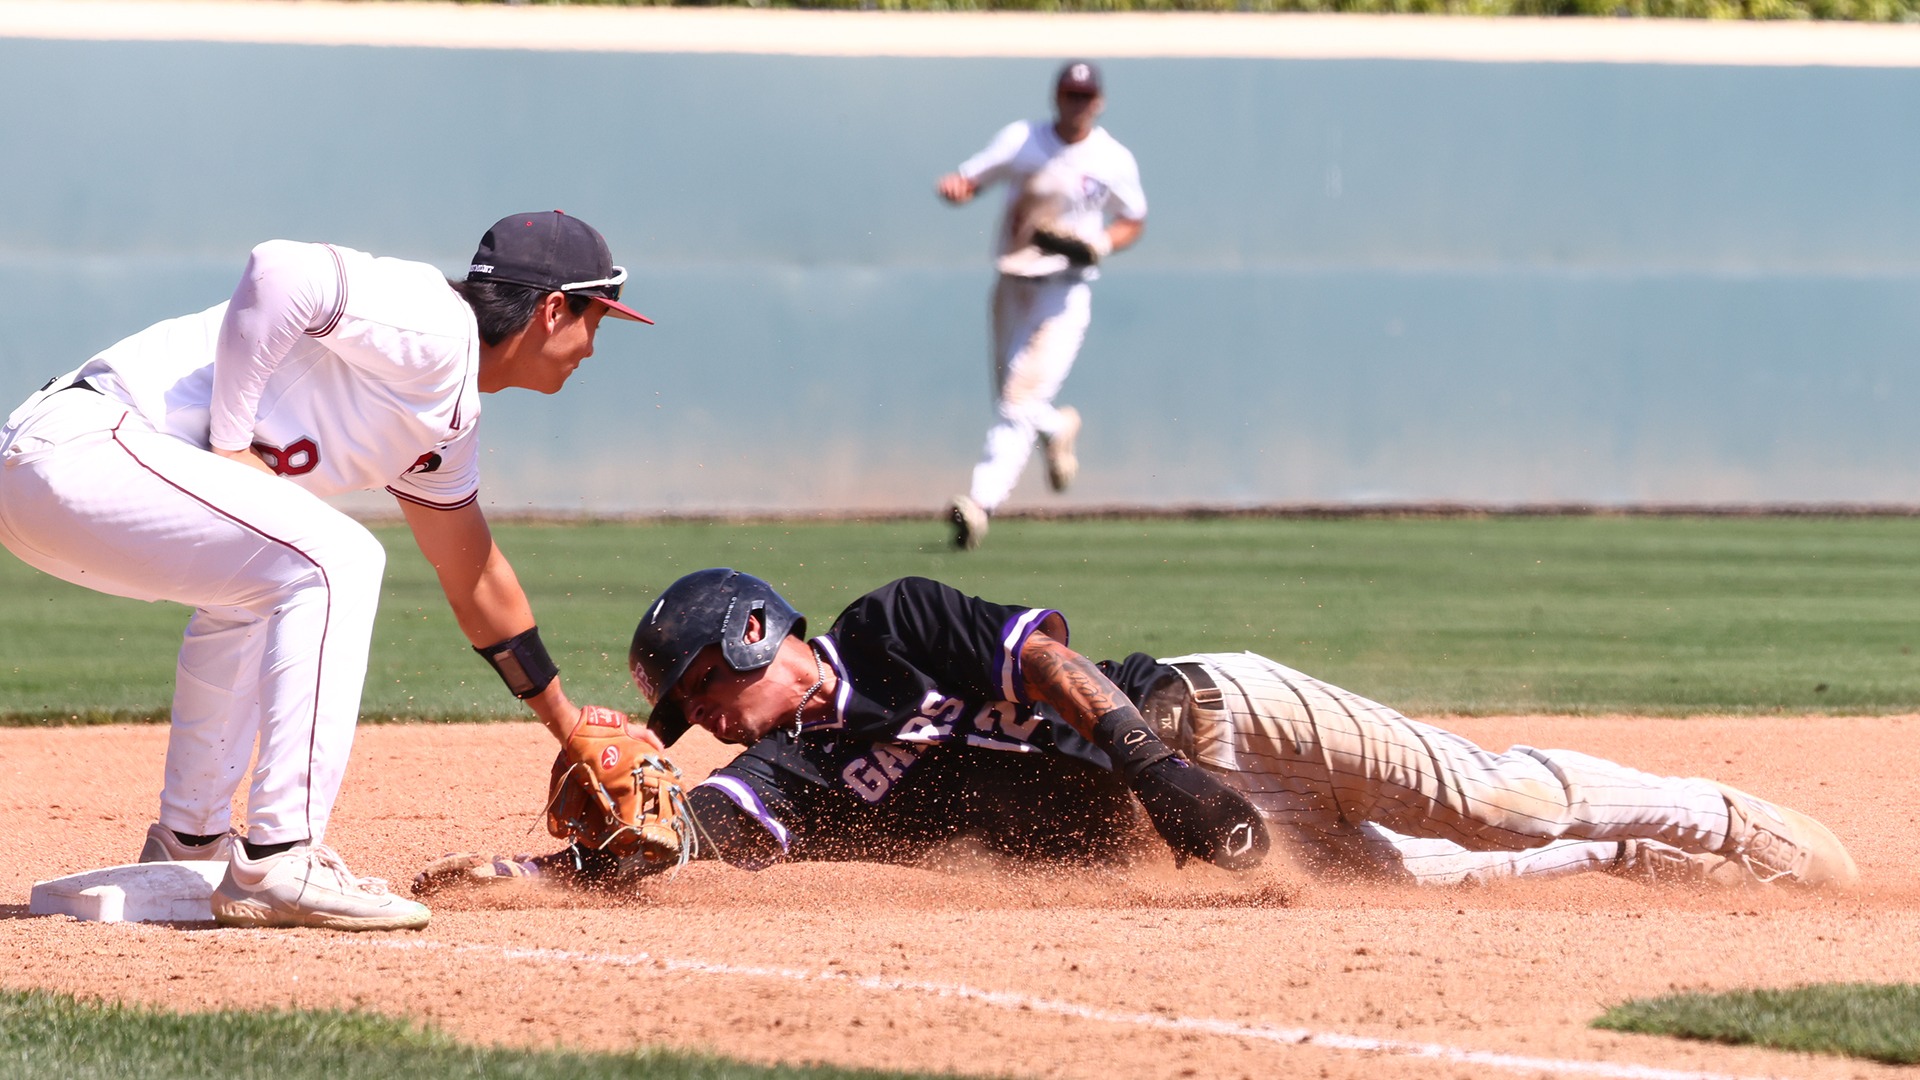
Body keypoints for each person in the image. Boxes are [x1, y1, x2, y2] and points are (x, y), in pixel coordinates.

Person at [0, 211, 657, 931]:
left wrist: (568, 725)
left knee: (260, 588)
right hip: (84, 447)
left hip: (69, 485)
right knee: (336, 558)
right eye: (598, 318)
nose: (593, 347)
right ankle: (283, 857)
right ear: (554, 308)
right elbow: (279, 269)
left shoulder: (446, 421)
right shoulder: (437, 325)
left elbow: (473, 574)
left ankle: (190, 842)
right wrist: (229, 441)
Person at [415, 570, 1857, 894]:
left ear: (751, 639)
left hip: (1217, 711)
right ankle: (1623, 871)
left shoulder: (892, 620)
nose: (700, 725)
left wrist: (1159, 767)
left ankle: (1709, 817)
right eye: (685, 721)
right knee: (1423, 887)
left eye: (699, 697)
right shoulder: (786, 768)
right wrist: (560, 866)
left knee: (1487, 803)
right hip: (1175, 816)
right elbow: (710, 837)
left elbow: (1042, 661)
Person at [936, 61, 1147, 551]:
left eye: (1086, 95)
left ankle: (981, 503)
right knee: (1014, 400)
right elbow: (973, 178)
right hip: (1013, 281)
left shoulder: (1111, 158)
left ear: (1099, 102)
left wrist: (1101, 244)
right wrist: (957, 188)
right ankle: (1056, 426)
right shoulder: (1023, 140)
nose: (1078, 103)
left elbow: (1133, 218)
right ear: (1057, 97)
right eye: (1070, 94)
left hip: (1064, 288)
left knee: (1017, 401)